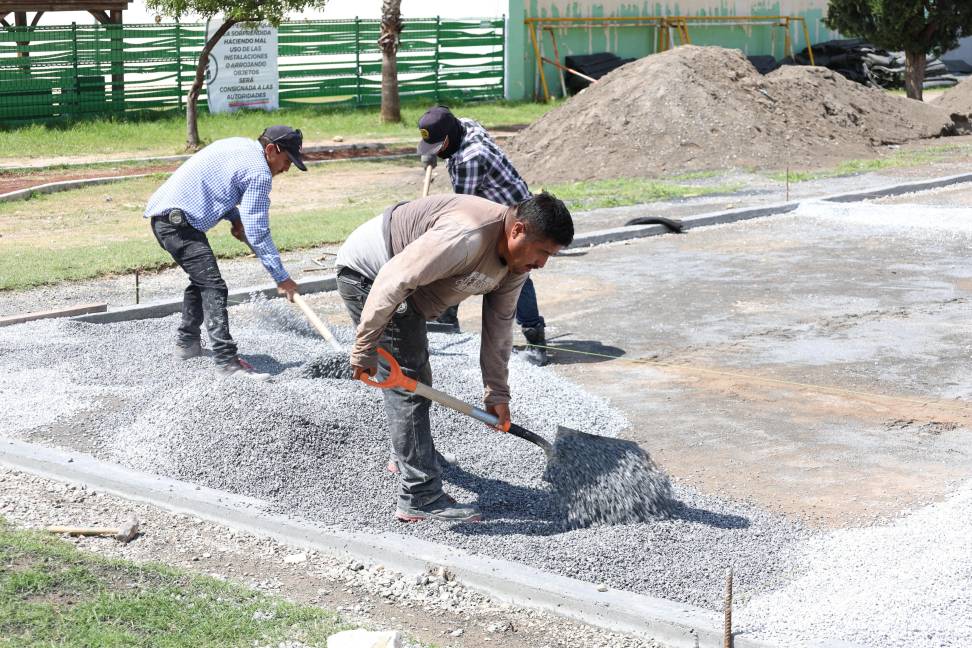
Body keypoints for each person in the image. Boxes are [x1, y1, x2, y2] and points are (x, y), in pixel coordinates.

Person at [335, 192, 573, 522]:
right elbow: (393, 279)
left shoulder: (517, 264)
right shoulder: (466, 236)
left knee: (413, 379)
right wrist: (364, 346)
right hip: (371, 273)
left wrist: (497, 393)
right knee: (410, 384)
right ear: (518, 230)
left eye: (551, 255)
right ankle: (420, 496)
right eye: (543, 251)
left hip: (407, 289)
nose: (543, 263)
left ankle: (408, 458)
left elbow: (499, 327)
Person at [144, 125, 306, 380]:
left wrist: (235, 218)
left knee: (203, 281)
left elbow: (218, 185)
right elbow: (258, 231)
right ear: (271, 150)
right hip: (177, 225)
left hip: (165, 218)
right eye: (287, 161)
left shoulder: (239, 145)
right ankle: (227, 363)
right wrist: (281, 277)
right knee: (214, 287)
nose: (286, 168)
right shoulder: (259, 173)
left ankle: (187, 344)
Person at [417, 105, 551, 366]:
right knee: (463, 260)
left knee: (515, 273)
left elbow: (461, 209)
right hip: (502, 207)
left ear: (449, 139)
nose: (437, 154)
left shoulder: (469, 159)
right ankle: (446, 320)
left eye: (438, 148)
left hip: (518, 221)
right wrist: (431, 153)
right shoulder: (465, 125)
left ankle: (536, 343)